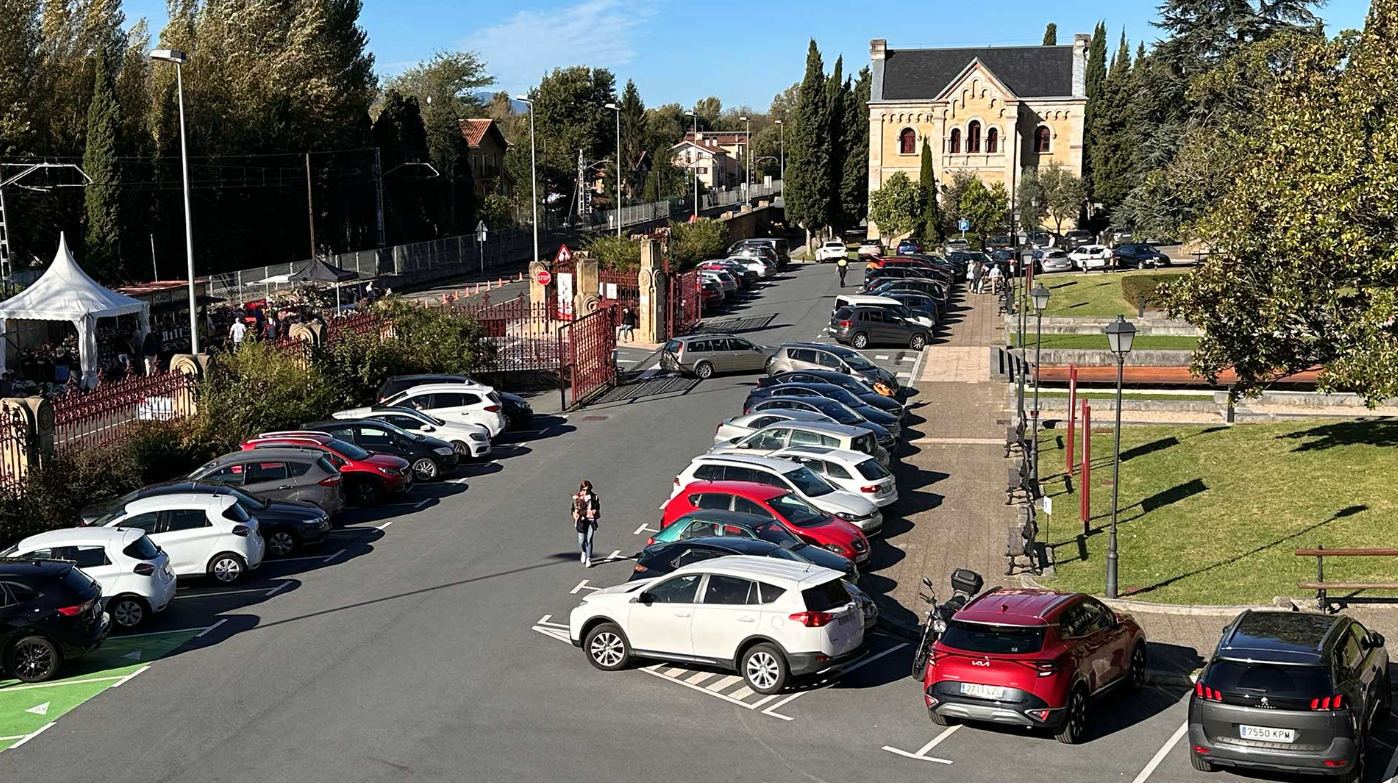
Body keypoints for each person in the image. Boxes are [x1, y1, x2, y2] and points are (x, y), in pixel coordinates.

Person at [572, 480, 600, 568]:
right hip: (581, 521)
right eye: (584, 490)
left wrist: (595, 512)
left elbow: (597, 508)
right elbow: (573, 509)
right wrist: (575, 514)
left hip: (591, 520)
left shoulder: (594, 497)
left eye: (587, 490)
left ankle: (588, 558)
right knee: (581, 541)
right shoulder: (577, 497)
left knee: (589, 540)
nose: (585, 492)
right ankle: (583, 552)